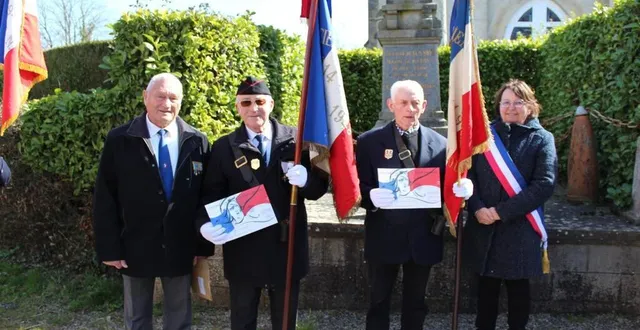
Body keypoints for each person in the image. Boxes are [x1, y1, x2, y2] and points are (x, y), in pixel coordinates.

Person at [197, 76, 329, 330]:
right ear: (238, 108)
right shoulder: (225, 147)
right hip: (244, 248)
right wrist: (204, 224)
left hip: (286, 244)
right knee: (243, 319)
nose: (253, 108)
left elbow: (319, 189)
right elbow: (210, 194)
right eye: (245, 103)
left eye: (259, 101)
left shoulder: (297, 141)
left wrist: (307, 181)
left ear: (271, 104)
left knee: (285, 321)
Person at [93, 72, 214, 330]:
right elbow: (105, 197)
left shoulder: (197, 141)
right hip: (135, 243)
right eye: (160, 96)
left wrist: (201, 246)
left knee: (180, 318)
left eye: (173, 98)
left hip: (181, 244)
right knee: (137, 319)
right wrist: (110, 248)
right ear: (145, 97)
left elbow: (205, 197)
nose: (166, 104)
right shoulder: (120, 140)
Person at [356, 80, 473, 330]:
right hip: (384, 234)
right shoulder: (368, 142)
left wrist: (461, 191)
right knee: (378, 301)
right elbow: (357, 187)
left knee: (416, 303)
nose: (410, 108)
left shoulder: (442, 145)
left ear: (424, 106)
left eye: (415, 103)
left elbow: (447, 189)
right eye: (403, 103)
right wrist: (370, 197)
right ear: (391, 105)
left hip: (423, 236)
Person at [464, 79, 557, 330]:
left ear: (530, 106)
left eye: (518, 102)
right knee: (484, 297)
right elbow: (467, 177)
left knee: (518, 296)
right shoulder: (484, 136)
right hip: (483, 226)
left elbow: (544, 184)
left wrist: (499, 212)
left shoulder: (542, 139)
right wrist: (477, 207)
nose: (511, 107)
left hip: (520, 228)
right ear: (498, 105)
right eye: (506, 102)